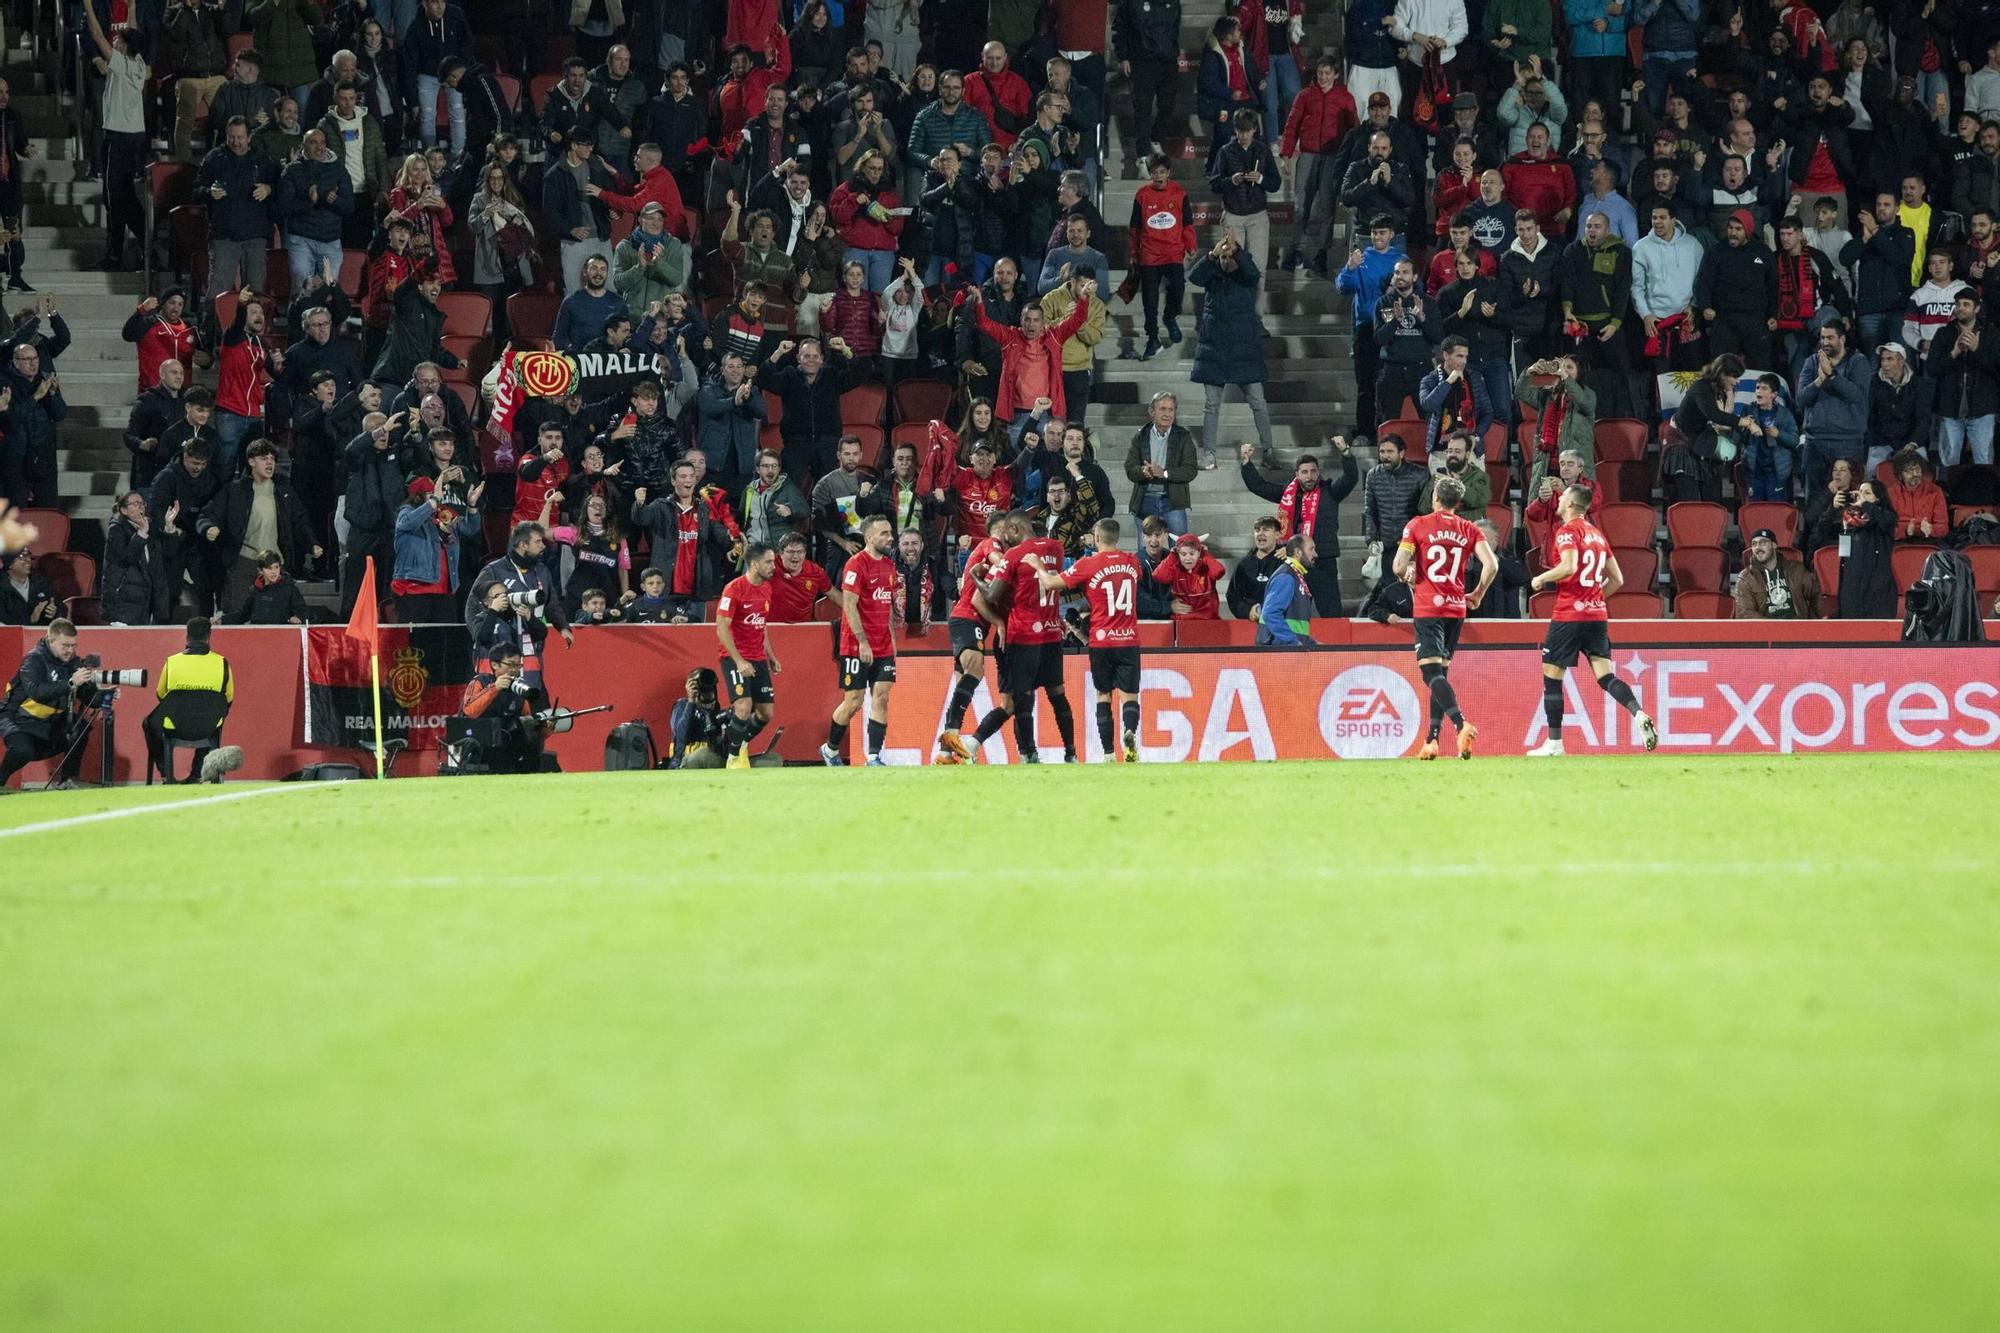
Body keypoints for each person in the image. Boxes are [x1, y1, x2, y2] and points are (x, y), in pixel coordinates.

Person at [1523, 484, 1659, 756]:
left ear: (1572, 504)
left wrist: (1541, 578)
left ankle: (1554, 743)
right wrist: (1594, 597)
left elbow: (1569, 566)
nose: (1558, 501)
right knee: (1606, 676)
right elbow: (1618, 579)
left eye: (1563, 498)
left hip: (1569, 615)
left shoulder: (1567, 532)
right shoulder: (1598, 536)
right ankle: (1638, 712)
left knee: (1552, 676)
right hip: (1597, 615)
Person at [1394, 474, 1498, 759]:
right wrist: (1477, 594)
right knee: (1440, 674)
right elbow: (1492, 564)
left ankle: (1461, 724)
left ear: (1435, 498)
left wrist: (1407, 573)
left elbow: (1398, 565)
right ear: (1459, 502)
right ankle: (1432, 740)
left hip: (1429, 608)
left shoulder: (1417, 524)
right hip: (1456, 608)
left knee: (1430, 673)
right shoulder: (1470, 529)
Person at [968, 514, 1077, 762]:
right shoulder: (1056, 548)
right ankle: (1071, 753)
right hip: (1050, 632)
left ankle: (1028, 754)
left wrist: (975, 576)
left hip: (1022, 635)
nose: (1005, 539)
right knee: (1057, 693)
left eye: (1007, 533)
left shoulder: (1014, 555)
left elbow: (991, 595)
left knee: (1021, 699)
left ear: (1015, 529)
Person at [1038, 517, 1145, 762]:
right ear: (1117, 538)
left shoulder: (1088, 564)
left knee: (1103, 695)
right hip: (1128, 639)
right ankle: (1129, 734)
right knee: (1129, 695)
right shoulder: (1132, 562)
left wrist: (1037, 564)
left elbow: (1051, 583)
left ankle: (1108, 754)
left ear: (1097, 538)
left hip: (1101, 640)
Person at [932, 511, 1021, 764]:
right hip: (968, 617)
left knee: (963, 682)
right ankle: (950, 735)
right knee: (976, 670)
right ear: (998, 529)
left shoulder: (985, 554)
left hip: (967, 619)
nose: (1010, 534)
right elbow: (1000, 565)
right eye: (1007, 529)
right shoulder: (989, 544)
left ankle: (946, 752)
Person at [1238, 436, 1359, 615]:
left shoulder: (1330, 491)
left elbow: (1351, 478)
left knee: (1331, 612)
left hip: (1323, 560)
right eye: (1304, 472)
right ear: (1297, 474)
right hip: (1295, 562)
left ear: (1318, 473)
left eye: (1312, 471)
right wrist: (1246, 463)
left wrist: (1346, 453)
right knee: (1294, 612)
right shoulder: (1288, 494)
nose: (1309, 476)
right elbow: (1259, 486)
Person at [198, 440, 317, 619]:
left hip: (275, 565)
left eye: (272, 458)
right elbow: (207, 515)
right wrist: (207, 527)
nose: (269, 462)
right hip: (244, 563)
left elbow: (300, 520)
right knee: (236, 617)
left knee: (275, 619)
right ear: (251, 462)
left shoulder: (283, 491)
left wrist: (312, 544)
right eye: (263, 458)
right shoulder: (235, 490)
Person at [822, 515, 899, 765]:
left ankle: (874, 756)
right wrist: (863, 642)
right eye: (884, 534)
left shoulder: (889, 565)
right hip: (856, 645)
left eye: (890, 533)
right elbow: (849, 606)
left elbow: (886, 605)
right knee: (853, 701)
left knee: (882, 696)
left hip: (883, 643)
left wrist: (892, 640)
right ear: (869, 537)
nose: (890, 537)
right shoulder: (856, 565)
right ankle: (830, 749)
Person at [1191, 231, 1269, 469]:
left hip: (1244, 351)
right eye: (1223, 258)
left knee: (1258, 402)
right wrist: (1212, 255)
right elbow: (1194, 277)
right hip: (1214, 351)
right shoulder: (1212, 276)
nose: (1226, 262)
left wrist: (1236, 250)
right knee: (1211, 406)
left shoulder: (1247, 277)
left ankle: (1268, 451)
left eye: (1230, 257)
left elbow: (1254, 273)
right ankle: (1209, 454)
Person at [142, 616, 239, 784]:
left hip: (176, 726)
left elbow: (161, 694)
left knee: (148, 723)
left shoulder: (172, 662)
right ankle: (198, 774)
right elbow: (228, 699)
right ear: (209, 637)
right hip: (208, 727)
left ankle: (166, 773)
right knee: (215, 717)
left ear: (187, 636)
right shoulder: (222, 663)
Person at [0, 619, 94, 791]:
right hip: (17, 718)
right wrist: (71, 682)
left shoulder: (73, 662)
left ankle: (67, 780)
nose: (70, 650)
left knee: (80, 726)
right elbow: (36, 692)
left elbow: (86, 697)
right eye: (65, 645)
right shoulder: (33, 659)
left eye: (73, 645)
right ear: (51, 641)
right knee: (23, 751)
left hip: (48, 720)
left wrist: (102, 694)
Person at [715, 543, 782, 770]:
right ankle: (733, 758)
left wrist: (770, 655)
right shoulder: (733, 589)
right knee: (744, 706)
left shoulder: (766, 589)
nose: (774, 566)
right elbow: (722, 627)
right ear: (754, 564)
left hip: (758, 658)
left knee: (766, 713)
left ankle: (738, 740)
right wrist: (739, 661)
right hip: (734, 657)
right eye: (769, 562)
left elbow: (761, 625)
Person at [1127, 153, 1195, 359]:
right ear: (1150, 173)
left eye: (1162, 172)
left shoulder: (1180, 193)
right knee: (1149, 299)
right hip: (1149, 254)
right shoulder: (1141, 195)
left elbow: (1188, 223)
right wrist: (1132, 253)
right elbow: (1135, 228)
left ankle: (1170, 316)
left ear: (1169, 173)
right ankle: (1152, 338)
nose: (1158, 176)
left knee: (1178, 287)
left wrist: (1191, 244)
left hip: (1173, 252)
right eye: (1154, 172)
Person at [456, 644, 552, 775]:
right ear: (495, 665)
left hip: (506, 746)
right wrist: (495, 688)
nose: (514, 670)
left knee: (530, 730)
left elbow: (528, 727)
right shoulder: (480, 681)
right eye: (511, 664)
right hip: (478, 744)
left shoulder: (519, 690)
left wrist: (544, 731)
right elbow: (470, 711)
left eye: (518, 666)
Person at [1123, 391, 1199, 536]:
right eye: (1162, 409)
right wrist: (1143, 471)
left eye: (1171, 409)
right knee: (1146, 552)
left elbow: (1190, 469)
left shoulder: (1183, 436)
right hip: (1145, 500)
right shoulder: (1140, 436)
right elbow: (1130, 468)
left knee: (1178, 550)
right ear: (1152, 411)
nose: (1167, 414)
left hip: (1173, 502)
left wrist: (1164, 473)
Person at [1827, 478, 1898, 616]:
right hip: (1851, 591)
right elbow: (1820, 533)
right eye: (1859, 492)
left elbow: (1887, 520)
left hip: (1877, 593)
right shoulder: (1848, 522)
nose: (1861, 496)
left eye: (1867, 493)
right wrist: (1832, 509)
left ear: (1877, 499)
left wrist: (1865, 505)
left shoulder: (1884, 520)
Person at [1732, 373, 1802, 503]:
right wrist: (1745, 427)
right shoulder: (1748, 410)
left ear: (1774, 394)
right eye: (1757, 387)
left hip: (1776, 473)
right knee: (1755, 511)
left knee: (1774, 512)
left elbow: (1794, 440)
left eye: (1764, 388)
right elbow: (1736, 438)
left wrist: (1778, 435)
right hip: (1754, 471)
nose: (1759, 391)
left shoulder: (1784, 414)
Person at [1733, 527, 1819, 618]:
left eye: (1762, 543)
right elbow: (1744, 613)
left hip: (1796, 626)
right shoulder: (1746, 577)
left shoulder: (1796, 569)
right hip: (1766, 629)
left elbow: (1815, 594)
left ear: (1774, 545)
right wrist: (1771, 626)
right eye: (1754, 544)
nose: (1758, 547)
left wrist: (1813, 620)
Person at [1254, 537, 1316, 645]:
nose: (1315, 554)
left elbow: (1296, 625)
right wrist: (1292, 640)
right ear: (1298, 552)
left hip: (1288, 648)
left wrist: (1311, 643)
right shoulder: (1286, 577)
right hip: (1280, 651)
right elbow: (1270, 614)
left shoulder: (1294, 576)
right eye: (1311, 549)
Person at [1227, 516, 1286, 620]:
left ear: (1277, 535)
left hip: (1281, 621)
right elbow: (1233, 596)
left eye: (1266, 530)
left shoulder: (1286, 561)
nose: (1260, 533)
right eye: (1257, 530)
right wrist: (1247, 611)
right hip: (1251, 624)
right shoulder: (1244, 564)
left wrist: (1290, 549)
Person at [1886, 451, 1949, 542]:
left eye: (1917, 470)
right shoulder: (1890, 493)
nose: (1915, 474)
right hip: (1899, 539)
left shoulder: (1935, 491)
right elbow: (1886, 528)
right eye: (1909, 471)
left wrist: (1931, 530)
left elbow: (1943, 527)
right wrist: (1905, 531)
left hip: (1929, 538)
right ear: (1900, 475)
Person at [240, 549, 309, 625]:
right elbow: (243, 614)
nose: (274, 571)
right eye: (269, 568)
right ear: (260, 570)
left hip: (282, 633)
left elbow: (302, 611)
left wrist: (298, 617)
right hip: (258, 632)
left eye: (276, 567)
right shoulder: (255, 590)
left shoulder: (289, 589)